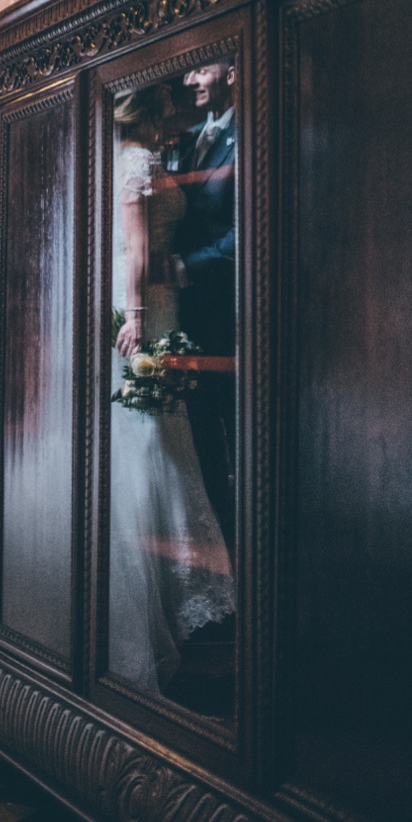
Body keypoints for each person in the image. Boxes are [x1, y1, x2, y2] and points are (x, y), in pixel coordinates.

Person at [107, 86, 234, 696]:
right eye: (172, 99)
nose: (183, 104)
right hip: (148, 308)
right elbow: (135, 246)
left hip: (162, 303)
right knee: (151, 432)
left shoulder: (135, 156)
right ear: (155, 108)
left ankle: (166, 594)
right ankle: (154, 595)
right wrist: (134, 317)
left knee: (159, 430)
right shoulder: (136, 161)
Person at [171, 62, 237, 555]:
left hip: (226, 313)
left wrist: (187, 268)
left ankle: (242, 547)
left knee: (229, 430)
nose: (190, 80)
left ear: (232, 73)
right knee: (193, 436)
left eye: (201, 70)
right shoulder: (187, 137)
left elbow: (247, 229)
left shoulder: (249, 133)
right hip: (177, 314)